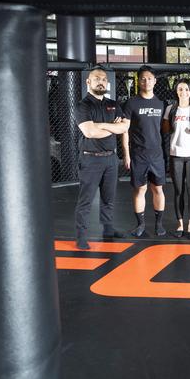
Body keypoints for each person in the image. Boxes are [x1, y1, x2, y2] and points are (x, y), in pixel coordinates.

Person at [74, 68, 129, 249]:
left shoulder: (113, 104)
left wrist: (101, 126)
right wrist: (111, 127)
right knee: (86, 200)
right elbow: (89, 131)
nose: (101, 82)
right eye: (97, 78)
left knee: (108, 198)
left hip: (111, 160)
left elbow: (123, 128)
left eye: (104, 79)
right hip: (91, 160)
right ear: (88, 82)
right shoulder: (83, 106)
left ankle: (108, 229)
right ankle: (81, 236)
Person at [121, 65, 167, 237]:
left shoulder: (161, 104)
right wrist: (126, 154)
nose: (146, 81)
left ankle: (159, 224)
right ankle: (140, 225)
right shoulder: (131, 103)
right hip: (138, 155)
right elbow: (124, 130)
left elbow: (165, 130)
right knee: (140, 190)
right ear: (138, 81)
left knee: (158, 189)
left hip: (157, 155)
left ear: (155, 81)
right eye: (143, 78)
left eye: (150, 78)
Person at [162, 78, 190, 239]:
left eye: (187, 89)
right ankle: (180, 223)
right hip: (176, 156)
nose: (183, 92)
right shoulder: (170, 109)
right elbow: (165, 131)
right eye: (180, 89)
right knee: (179, 191)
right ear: (176, 91)